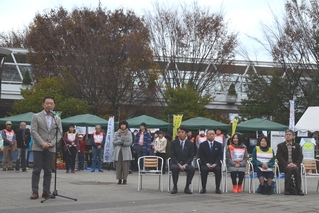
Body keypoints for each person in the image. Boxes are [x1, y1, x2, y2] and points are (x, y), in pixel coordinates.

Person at [30, 96, 62, 199]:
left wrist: (51, 143)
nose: (49, 105)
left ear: (54, 105)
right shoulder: (36, 116)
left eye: (51, 103)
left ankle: (46, 191)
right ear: (43, 104)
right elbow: (33, 131)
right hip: (38, 147)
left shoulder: (57, 118)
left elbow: (59, 133)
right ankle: (35, 191)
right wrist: (42, 143)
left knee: (48, 170)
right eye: (47, 103)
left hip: (51, 147)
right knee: (36, 169)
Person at [276, 129, 304, 196]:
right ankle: (287, 189)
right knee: (288, 169)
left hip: (294, 165)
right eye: (286, 134)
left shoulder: (297, 146)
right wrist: (287, 164)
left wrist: (295, 164)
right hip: (284, 165)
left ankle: (298, 189)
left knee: (297, 169)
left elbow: (300, 156)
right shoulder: (280, 145)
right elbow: (279, 157)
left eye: (289, 135)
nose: (288, 136)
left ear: (293, 137)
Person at [170, 126, 195, 194]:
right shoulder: (173, 143)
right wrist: (178, 164)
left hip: (186, 163)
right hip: (176, 163)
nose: (180, 134)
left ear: (186, 134)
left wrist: (186, 164)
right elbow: (172, 155)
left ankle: (187, 187)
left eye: (182, 132)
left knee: (191, 169)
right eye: (179, 132)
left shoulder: (190, 144)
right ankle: (175, 186)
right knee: (174, 168)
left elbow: (191, 156)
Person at [199, 129, 223, 194]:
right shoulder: (202, 145)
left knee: (218, 170)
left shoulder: (218, 145)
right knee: (203, 170)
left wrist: (215, 163)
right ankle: (203, 188)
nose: (211, 136)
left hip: (215, 164)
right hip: (206, 164)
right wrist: (207, 164)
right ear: (206, 135)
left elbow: (219, 156)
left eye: (213, 134)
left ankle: (217, 188)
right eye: (210, 134)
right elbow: (201, 156)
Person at [113, 120, 132, 184]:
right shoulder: (116, 133)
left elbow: (130, 142)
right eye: (121, 125)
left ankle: (125, 179)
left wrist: (124, 143)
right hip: (118, 151)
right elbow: (114, 142)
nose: (123, 126)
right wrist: (119, 142)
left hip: (126, 151)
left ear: (126, 125)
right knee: (118, 166)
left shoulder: (129, 133)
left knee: (125, 166)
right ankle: (119, 179)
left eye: (124, 125)